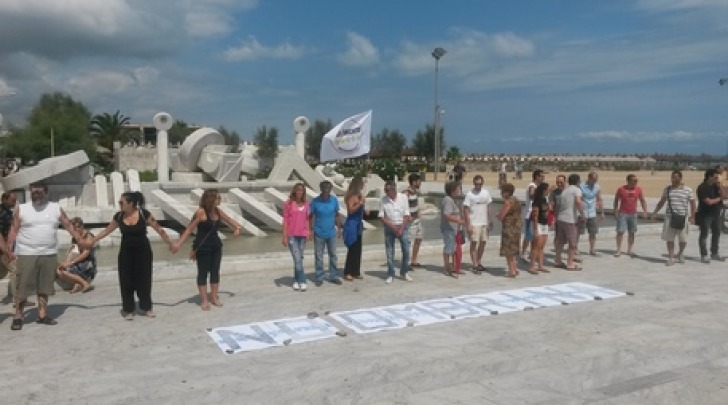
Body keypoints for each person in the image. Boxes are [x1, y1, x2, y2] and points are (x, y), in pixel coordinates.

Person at [85, 191, 174, 320]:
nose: (119, 205)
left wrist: (170, 243)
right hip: (126, 252)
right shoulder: (119, 216)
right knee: (126, 280)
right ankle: (128, 309)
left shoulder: (144, 214)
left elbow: (158, 229)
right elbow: (106, 230)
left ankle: (147, 307)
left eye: (122, 202)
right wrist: (92, 241)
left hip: (143, 252)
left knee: (144, 279)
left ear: (131, 203)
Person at [7, 182, 84, 330]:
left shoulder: (55, 208)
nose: (36, 194)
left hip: (48, 253)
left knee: (45, 286)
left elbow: (68, 224)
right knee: (22, 286)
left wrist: (79, 239)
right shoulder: (22, 208)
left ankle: (42, 314)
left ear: (46, 192)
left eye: (39, 192)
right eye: (33, 192)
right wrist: (9, 249)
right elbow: (13, 229)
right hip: (26, 252)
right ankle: (18, 315)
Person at [172, 189, 241, 309]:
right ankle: (204, 300)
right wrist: (178, 244)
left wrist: (237, 228)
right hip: (203, 247)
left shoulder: (218, 211)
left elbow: (229, 220)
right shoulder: (201, 212)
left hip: (216, 246)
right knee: (203, 273)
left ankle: (214, 297)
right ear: (211, 200)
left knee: (215, 271)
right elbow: (189, 229)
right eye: (218, 198)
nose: (220, 200)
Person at [650, 171, 696, 266]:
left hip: (683, 217)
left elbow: (693, 203)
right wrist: (655, 212)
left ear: (680, 178)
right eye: (672, 177)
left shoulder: (688, 190)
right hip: (670, 217)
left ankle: (680, 253)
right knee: (670, 239)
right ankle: (671, 257)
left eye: (675, 177)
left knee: (683, 239)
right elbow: (662, 202)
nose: (673, 179)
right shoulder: (667, 189)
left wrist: (693, 216)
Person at [0, 191, 32, 307]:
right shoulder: (2, 213)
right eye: (12, 200)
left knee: (3, 273)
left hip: (6, 249)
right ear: (4, 200)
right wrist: (6, 251)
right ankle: (19, 300)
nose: (15, 202)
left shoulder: (8, 213)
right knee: (17, 271)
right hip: (3, 250)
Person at [309, 181, 342, 286]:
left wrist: (339, 229)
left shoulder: (334, 200)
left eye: (328, 187)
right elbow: (311, 216)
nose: (326, 189)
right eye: (324, 187)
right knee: (319, 256)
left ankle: (334, 276)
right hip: (318, 232)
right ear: (321, 188)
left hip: (331, 232)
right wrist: (310, 229)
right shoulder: (315, 201)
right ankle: (319, 276)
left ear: (331, 188)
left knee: (333, 255)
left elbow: (337, 215)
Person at [378, 180, 412, 284]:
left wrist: (401, 228)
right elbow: (381, 216)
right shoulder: (383, 200)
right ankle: (390, 273)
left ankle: (404, 271)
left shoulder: (403, 198)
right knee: (389, 251)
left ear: (393, 190)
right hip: (390, 226)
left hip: (402, 225)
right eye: (385, 190)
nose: (386, 192)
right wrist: (392, 226)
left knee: (406, 249)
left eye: (387, 190)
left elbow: (407, 214)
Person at [280, 183, 311, 291]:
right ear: (294, 191)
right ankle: (302, 280)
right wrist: (284, 236)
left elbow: (307, 219)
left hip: (302, 235)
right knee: (297, 259)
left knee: (299, 259)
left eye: (301, 190)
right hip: (292, 235)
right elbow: (285, 221)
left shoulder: (306, 204)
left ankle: (296, 280)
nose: (299, 192)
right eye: (298, 190)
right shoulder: (288, 204)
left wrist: (308, 231)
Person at [56, 217, 97, 293]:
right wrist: (65, 263)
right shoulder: (75, 238)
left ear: (82, 226)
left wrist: (70, 263)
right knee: (58, 270)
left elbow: (85, 253)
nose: (75, 230)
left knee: (63, 271)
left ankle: (84, 283)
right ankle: (78, 283)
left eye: (77, 227)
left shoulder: (88, 236)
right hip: (77, 263)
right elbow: (72, 253)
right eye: (74, 228)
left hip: (87, 265)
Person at [554, 174, 586, 271]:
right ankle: (570, 263)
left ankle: (558, 260)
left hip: (561, 218)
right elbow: (578, 201)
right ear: (577, 181)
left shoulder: (565, 191)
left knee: (560, 241)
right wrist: (582, 215)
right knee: (572, 243)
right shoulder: (576, 190)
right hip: (570, 219)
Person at [463, 174, 493, 274]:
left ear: (482, 183)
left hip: (484, 222)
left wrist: (490, 220)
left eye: (480, 184)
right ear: (474, 183)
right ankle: (474, 264)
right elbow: (466, 210)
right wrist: (468, 224)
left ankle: (479, 261)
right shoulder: (469, 194)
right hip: (474, 222)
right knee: (474, 243)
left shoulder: (486, 193)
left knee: (483, 242)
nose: (478, 186)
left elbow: (489, 207)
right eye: (476, 184)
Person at [613, 174, 648, 257]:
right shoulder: (621, 189)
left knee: (632, 232)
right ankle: (618, 250)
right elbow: (616, 201)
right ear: (628, 181)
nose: (636, 182)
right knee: (620, 232)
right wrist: (615, 211)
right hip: (623, 213)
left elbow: (642, 200)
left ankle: (630, 250)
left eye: (637, 180)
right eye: (634, 181)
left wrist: (645, 211)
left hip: (633, 214)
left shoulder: (638, 189)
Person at [696, 168, 724, 263]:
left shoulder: (716, 186)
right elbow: (708, 202)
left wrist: (720, 187)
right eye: (715, 177)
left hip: (716, 213)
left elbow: (725, 196)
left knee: (717, 233)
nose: (717, 179)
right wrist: (719, 199)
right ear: (709, 177)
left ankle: (714, 253)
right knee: (704, 234)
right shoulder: (702, 188)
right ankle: (703, 255)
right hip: (705, 214)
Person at [343, 176, 365, 281]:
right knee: (352, 249)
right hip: (352, 224)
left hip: (358, 224)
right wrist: (359, 204)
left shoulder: (359, 196)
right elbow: (351, 210)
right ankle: (348, 271)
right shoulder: (351, 196)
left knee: (358, 249)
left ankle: (356, 271)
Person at [497, 183, 522, 278]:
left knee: (508, 251)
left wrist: (498, 215)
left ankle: (511, 271)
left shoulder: (508, 202)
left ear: (507, 192)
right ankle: (515, 268)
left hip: (509, 229)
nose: (501, 193)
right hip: (516, 228)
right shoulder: (517, 200)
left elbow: (501, 216)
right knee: (514, 250)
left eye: (502, 191)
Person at [520, 169, 546, 261]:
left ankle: (533, 253)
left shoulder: (538, 186)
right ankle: (523, 253)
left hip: (536, 213)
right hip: (530, 213)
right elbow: (531, 195)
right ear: (537, 176)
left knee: (535, 235)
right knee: (528, 234)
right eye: (542, 176)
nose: (543, 178)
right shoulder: (532, 185)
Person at [441, 181, 464, 278]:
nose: (459, 191)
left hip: (455, 229)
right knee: (449, 248)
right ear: (452, 191)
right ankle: (447, 267)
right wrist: (458, 221)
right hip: (449, 229)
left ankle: (454, 266)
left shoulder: (454, 200)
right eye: (458, 189)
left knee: (454, 248)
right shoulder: (448, 200)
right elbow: (446, 214)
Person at [579, 172, 604, 256]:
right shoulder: (581, 186)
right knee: (579, 232)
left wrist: (602, 212)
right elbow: (578, 199)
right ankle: (574, 248)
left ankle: (592, 249)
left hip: (592, 212)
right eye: (593, 180)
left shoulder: (597, 187)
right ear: (589, 178)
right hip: (582, 212)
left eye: (596, 180)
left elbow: (599, 199)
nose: (594, 182)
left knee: (593, 232)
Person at [529, 183, 551, 274]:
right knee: (536, 246)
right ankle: (531, 266)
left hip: (544, 224)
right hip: (537, 224)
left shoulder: (544, 199)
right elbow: (535, 214)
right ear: (544, 190)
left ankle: (540, 266)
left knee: (541, 247)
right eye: (548, 189)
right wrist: (535, 229)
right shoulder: (537, 200)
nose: (549, 191)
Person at [404, 173, 424, 269]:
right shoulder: (406, 193)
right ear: (414, 182)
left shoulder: (415, 192)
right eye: (419, 181)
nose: (420, 183)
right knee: (408, 242)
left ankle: (414, 260)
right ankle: (406, 262)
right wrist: (407, 217)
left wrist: (418, 212)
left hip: (417, 221)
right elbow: (402, 206)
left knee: (418, 239)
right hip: (410, 222)